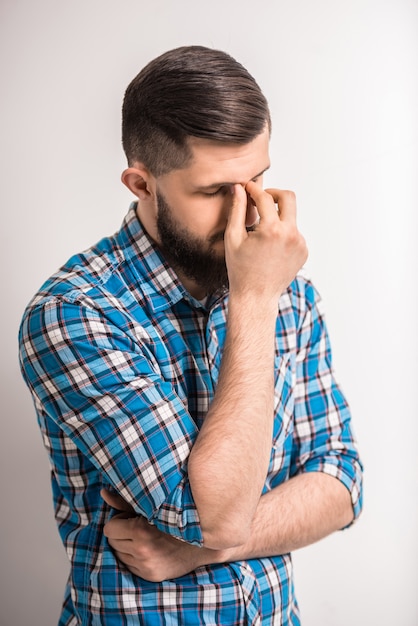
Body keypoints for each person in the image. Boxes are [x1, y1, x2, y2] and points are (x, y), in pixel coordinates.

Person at [19, 45, 363, 625]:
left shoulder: (292, 294)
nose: (248, 214)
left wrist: (196, 549)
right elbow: (215, 517)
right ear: (141, 184)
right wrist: (254, 300)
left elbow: (342, 483)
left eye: (258, 180)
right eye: (214, 192)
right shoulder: (75, 314)